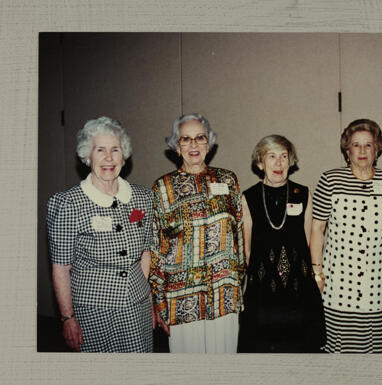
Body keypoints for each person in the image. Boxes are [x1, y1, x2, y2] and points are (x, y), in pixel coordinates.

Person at [46, 116, 154, 352]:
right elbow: (61, 267)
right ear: (87, 155)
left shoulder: (143, 198)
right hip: (92, 311)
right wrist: (67, 318)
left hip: (138, 309)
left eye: (115, 150)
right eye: (100, 150)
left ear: (124, 155)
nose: (108, 158)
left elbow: (146, 253)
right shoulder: (68, 204)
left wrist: (144, 297)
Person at [310, 119, 382, 353]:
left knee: (377, 354)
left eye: (369, 145)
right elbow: (317, 229)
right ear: (347, 151)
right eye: (356, 145)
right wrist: (317, 272)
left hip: (378, 281)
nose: (363, 151)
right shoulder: (330, 180)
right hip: (338, 282)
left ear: (377, 150)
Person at [148, 113, 245, 353]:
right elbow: (155, 247)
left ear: (209, 143)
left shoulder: (228, 180)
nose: (193, 144)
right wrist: (159, 302)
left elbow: (239, 236)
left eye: (200, 137)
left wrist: (239, 281)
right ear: (175, 146)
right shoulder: (163, 187)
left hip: (224, 293)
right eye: (185, 139)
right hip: (181, 299)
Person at [237, 135, 325, 353]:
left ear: (290, 161)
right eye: (272, 156)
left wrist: (317, 275)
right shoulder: (249, 197)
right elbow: (246, 248)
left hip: (299, 289)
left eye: (284, 157)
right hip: (263, 290)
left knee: (301, 353)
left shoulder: (303, 193)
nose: (279, 163)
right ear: (260, 163)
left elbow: (309, 239)